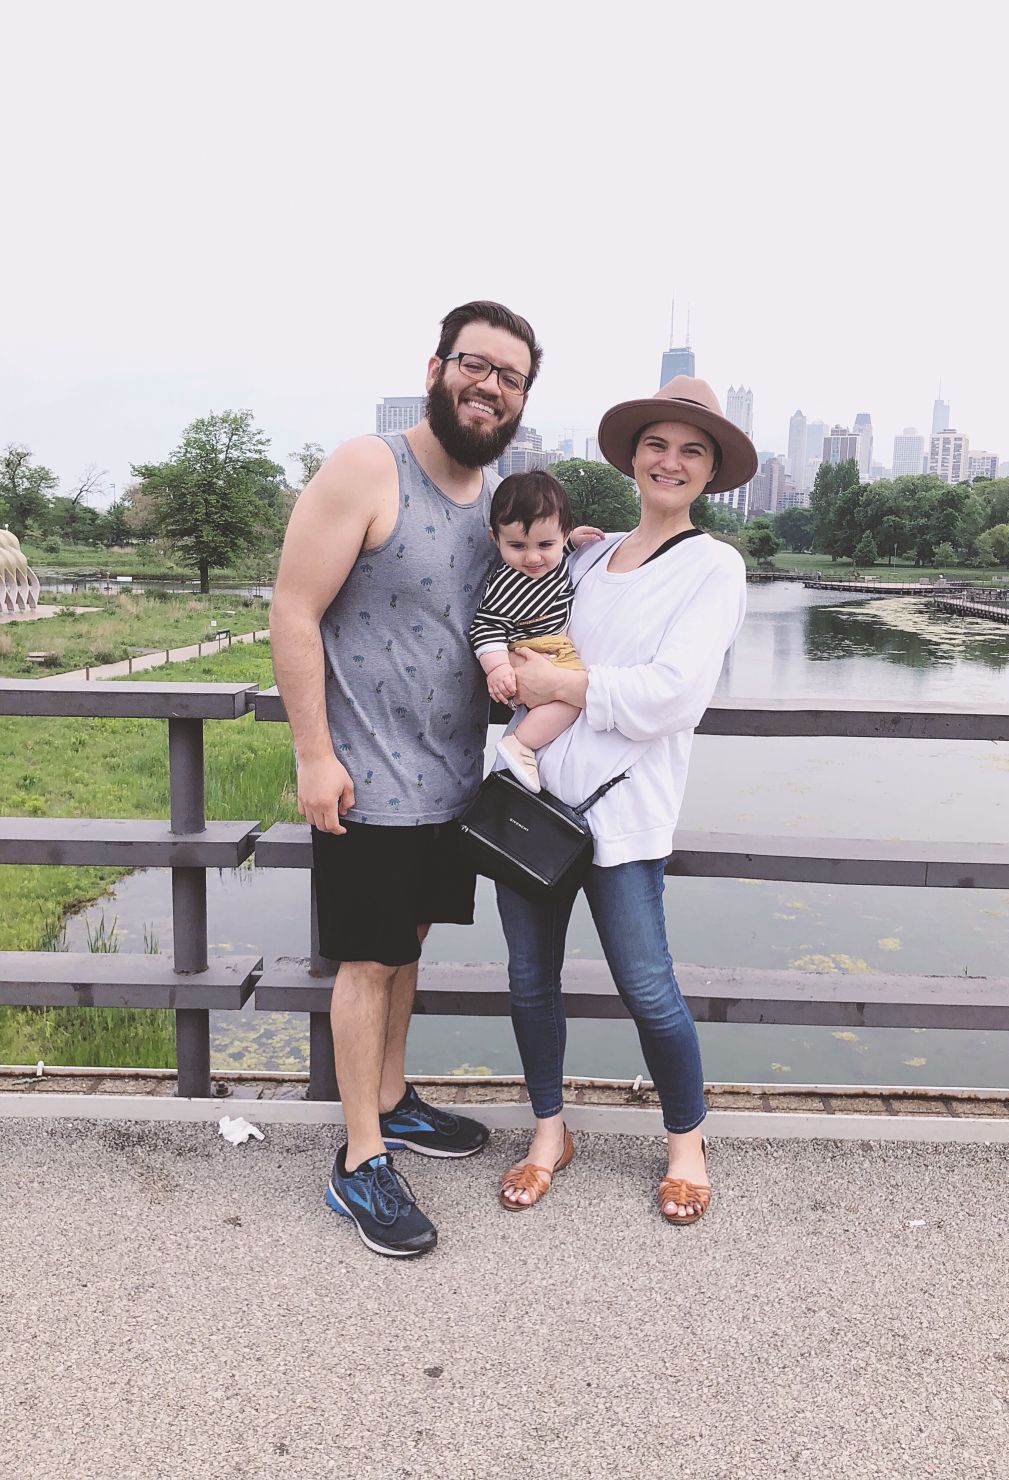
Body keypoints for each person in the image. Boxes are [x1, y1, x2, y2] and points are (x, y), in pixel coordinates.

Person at [270, 299, 542, 1259]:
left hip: (450, 781)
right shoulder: (367, 467)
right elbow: (293, 610)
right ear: (436, 368)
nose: (490, 387)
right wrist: (313, 754)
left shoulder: (495, 494)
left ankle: (391, 1097)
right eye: (477, 366)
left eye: (510, 378)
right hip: (364, 779)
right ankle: (359, 1160)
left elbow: (515, 596)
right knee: (366, 960)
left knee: (409, 944)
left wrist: (569, 547)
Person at [493, 376, 756, 1225]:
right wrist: (520, 670)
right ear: (633, 457)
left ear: (710, 473)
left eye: (692, 451)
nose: (670, 461)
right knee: (530, 981)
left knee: (649, 987)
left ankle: (686, 1143)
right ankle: (547, 1133)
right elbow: (516, 594)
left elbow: (674, 697)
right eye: (658, 445)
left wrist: (555, 680)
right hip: (535, 809)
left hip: (626, 816)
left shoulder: (714, 565)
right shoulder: (586, 557)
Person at [468, 469, 603, 792]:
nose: (532, 558)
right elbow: (486, 625)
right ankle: (521, 742)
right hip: (540, 650)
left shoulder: (553, 560)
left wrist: (571, 544)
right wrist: (498, 667)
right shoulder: (506, 583)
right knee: (575, 698)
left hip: (551, 646)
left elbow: (555, 557)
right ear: (494, 538)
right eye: (516, 545)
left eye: (545, 544)